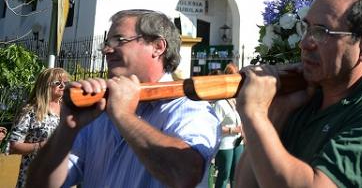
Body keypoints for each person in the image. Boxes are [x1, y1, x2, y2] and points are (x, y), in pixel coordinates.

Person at [234, 0, 362, 187]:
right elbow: (246, 184)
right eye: (305, 28)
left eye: (322, 32)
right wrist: (276, 115)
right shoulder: (303, 100)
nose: (304, 43)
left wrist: (254, 112)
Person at [27, 9, 220, 187]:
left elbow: (185, 174)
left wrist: (124, 116)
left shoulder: (191, 110)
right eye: (107, 42)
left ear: (158, 47)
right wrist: (66, 131)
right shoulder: (96, 113)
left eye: (119, 40)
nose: (106, 50)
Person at [7, 67, 69, 188]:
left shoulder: (68, 110)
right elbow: (13, 146)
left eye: (65, 83)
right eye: (58, 83)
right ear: (45, 86)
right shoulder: (30, 111)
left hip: (62, 177)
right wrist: (41, 146)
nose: (63, 86)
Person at [213, 63, 244, 188]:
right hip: (225, 144)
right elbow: (214, 127)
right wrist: (233, 129)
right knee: (224, 176)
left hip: (238, 142)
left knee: (237, 176)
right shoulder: (220, 103)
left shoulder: (236, 100)